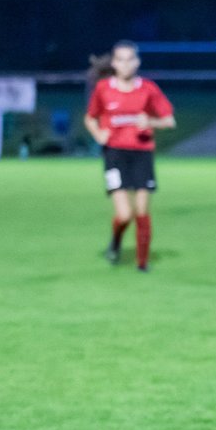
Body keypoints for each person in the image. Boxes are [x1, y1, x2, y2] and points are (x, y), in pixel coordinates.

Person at [84, 40, 176, 272]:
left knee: (142, 211)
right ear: (114, 63)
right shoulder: (104, 88)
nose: (125, 64)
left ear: (137, 62)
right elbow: (90, 118)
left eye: (130, 59)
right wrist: (98, 134)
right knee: (124, 214)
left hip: (142, 153)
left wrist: (151, 121)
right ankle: (115, 243)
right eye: (120, 59)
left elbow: (169, 120)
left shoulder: (148, 89)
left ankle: (142, 264)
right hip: (114, 154)